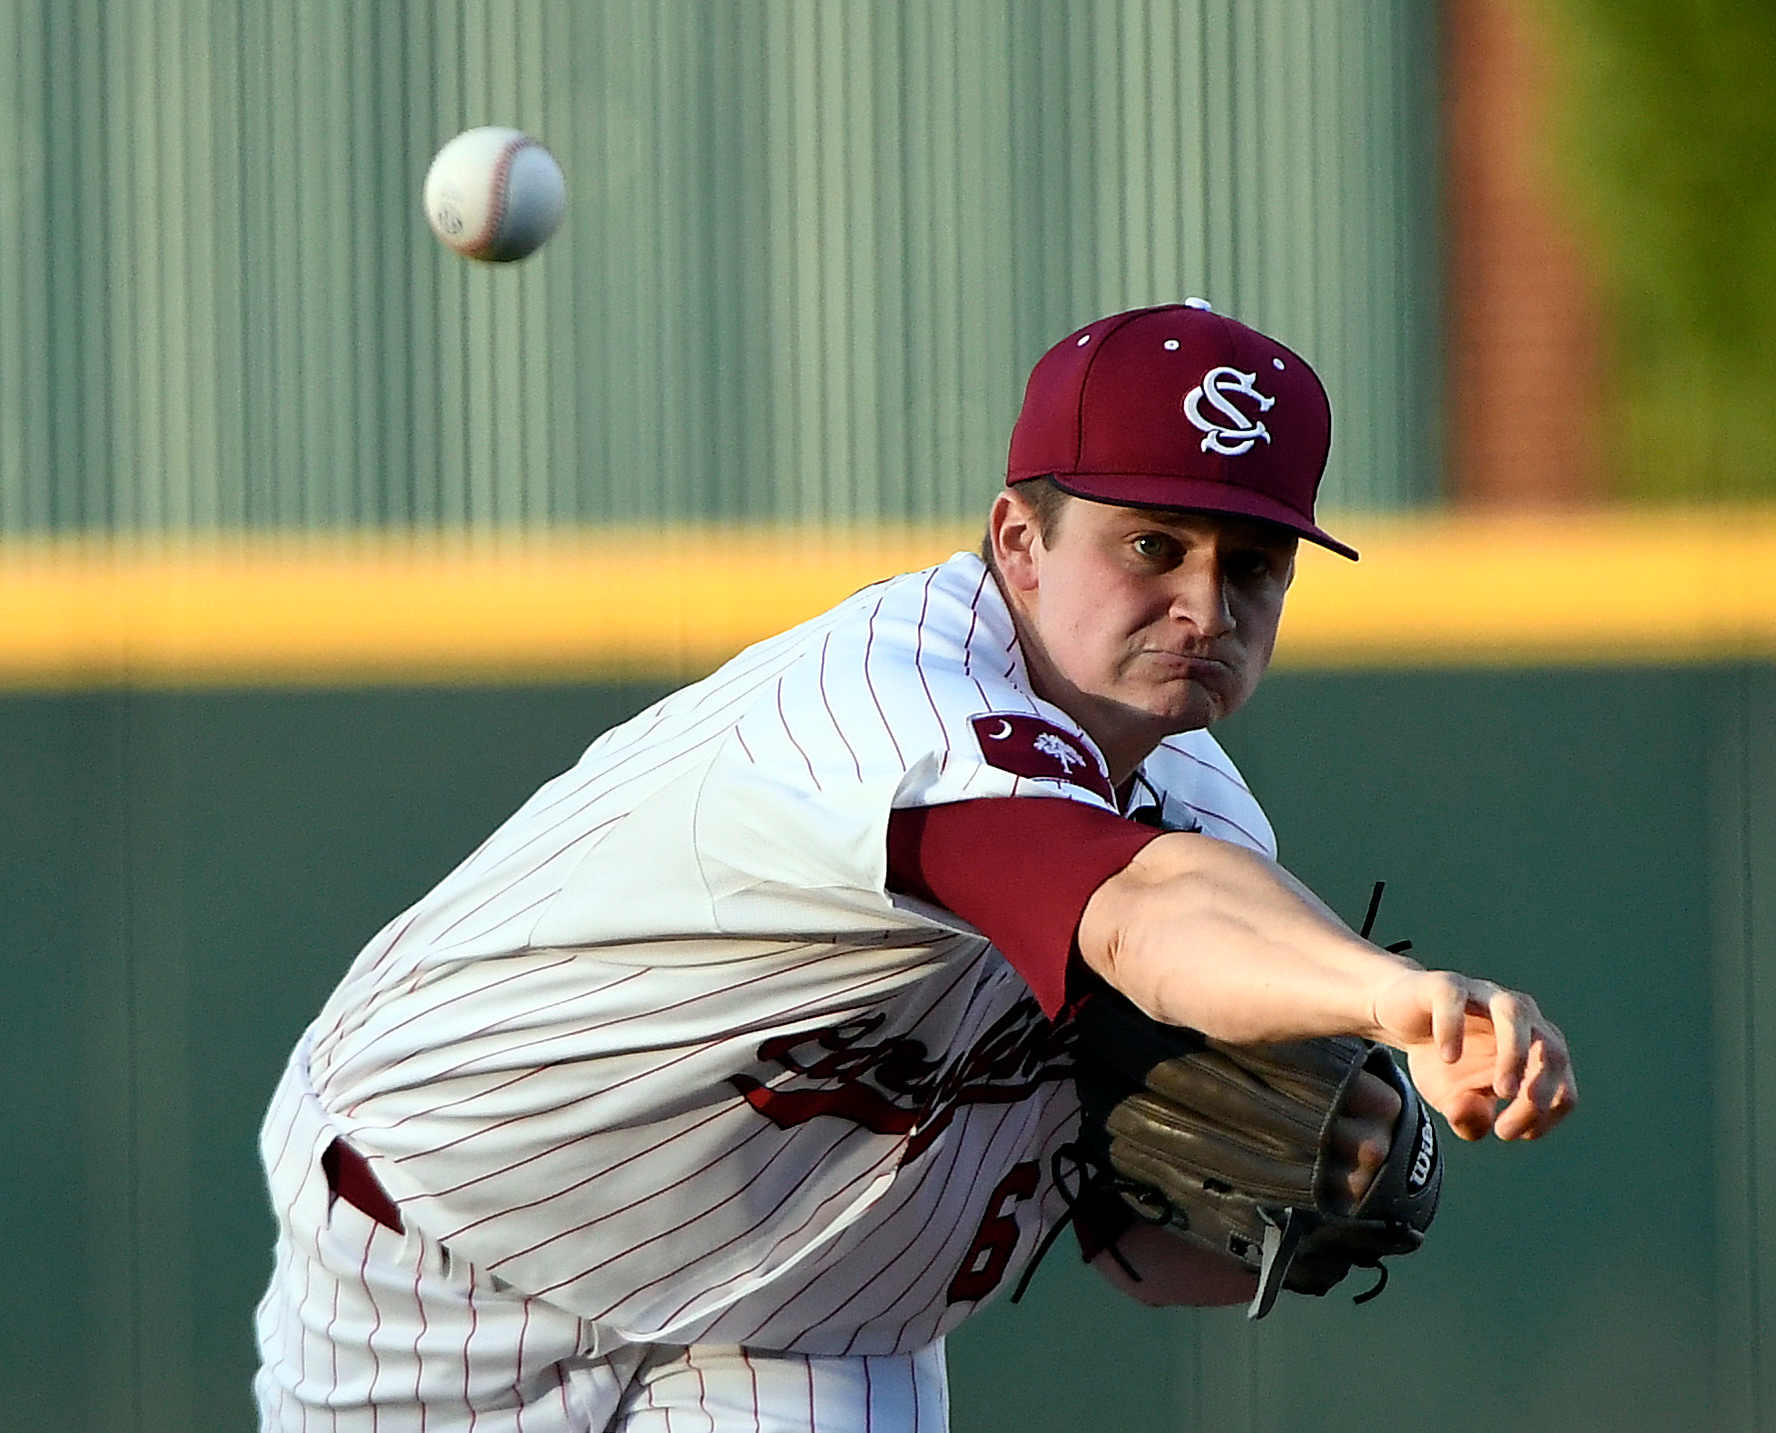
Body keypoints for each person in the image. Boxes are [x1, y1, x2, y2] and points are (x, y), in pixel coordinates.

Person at [254, 301, 1575, 1432]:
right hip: (459, 1238)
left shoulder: (1210, 834)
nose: (1203, 605)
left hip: (803, 1326)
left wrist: (1331, 1179)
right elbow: (1130, 905)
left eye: (1254, 565)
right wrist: (1387, 997)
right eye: (1150, 545)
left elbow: (1132, 1240)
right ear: (1018, 541)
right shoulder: (890, 700)